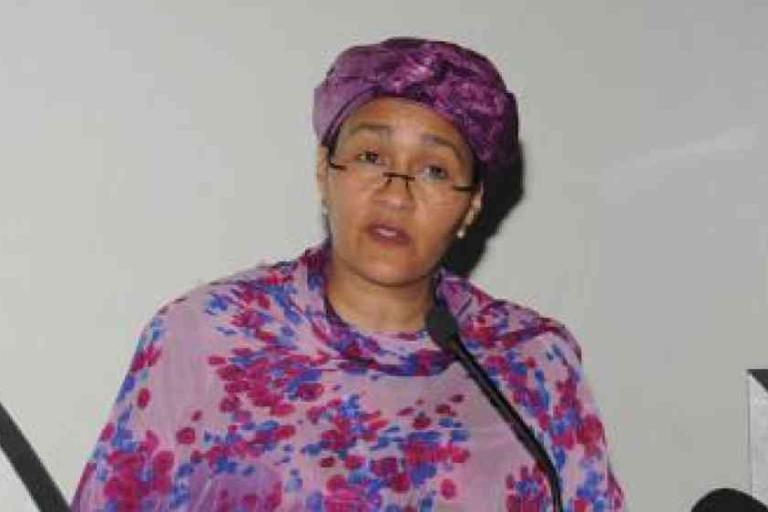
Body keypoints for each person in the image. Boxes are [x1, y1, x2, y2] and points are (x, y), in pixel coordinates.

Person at [72, 37, 624, 511]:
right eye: (370, 157)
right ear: (324, 170)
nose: (396, 193)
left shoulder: (531, 363)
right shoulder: (207, 336)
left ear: (472, 204)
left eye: (435, 170)